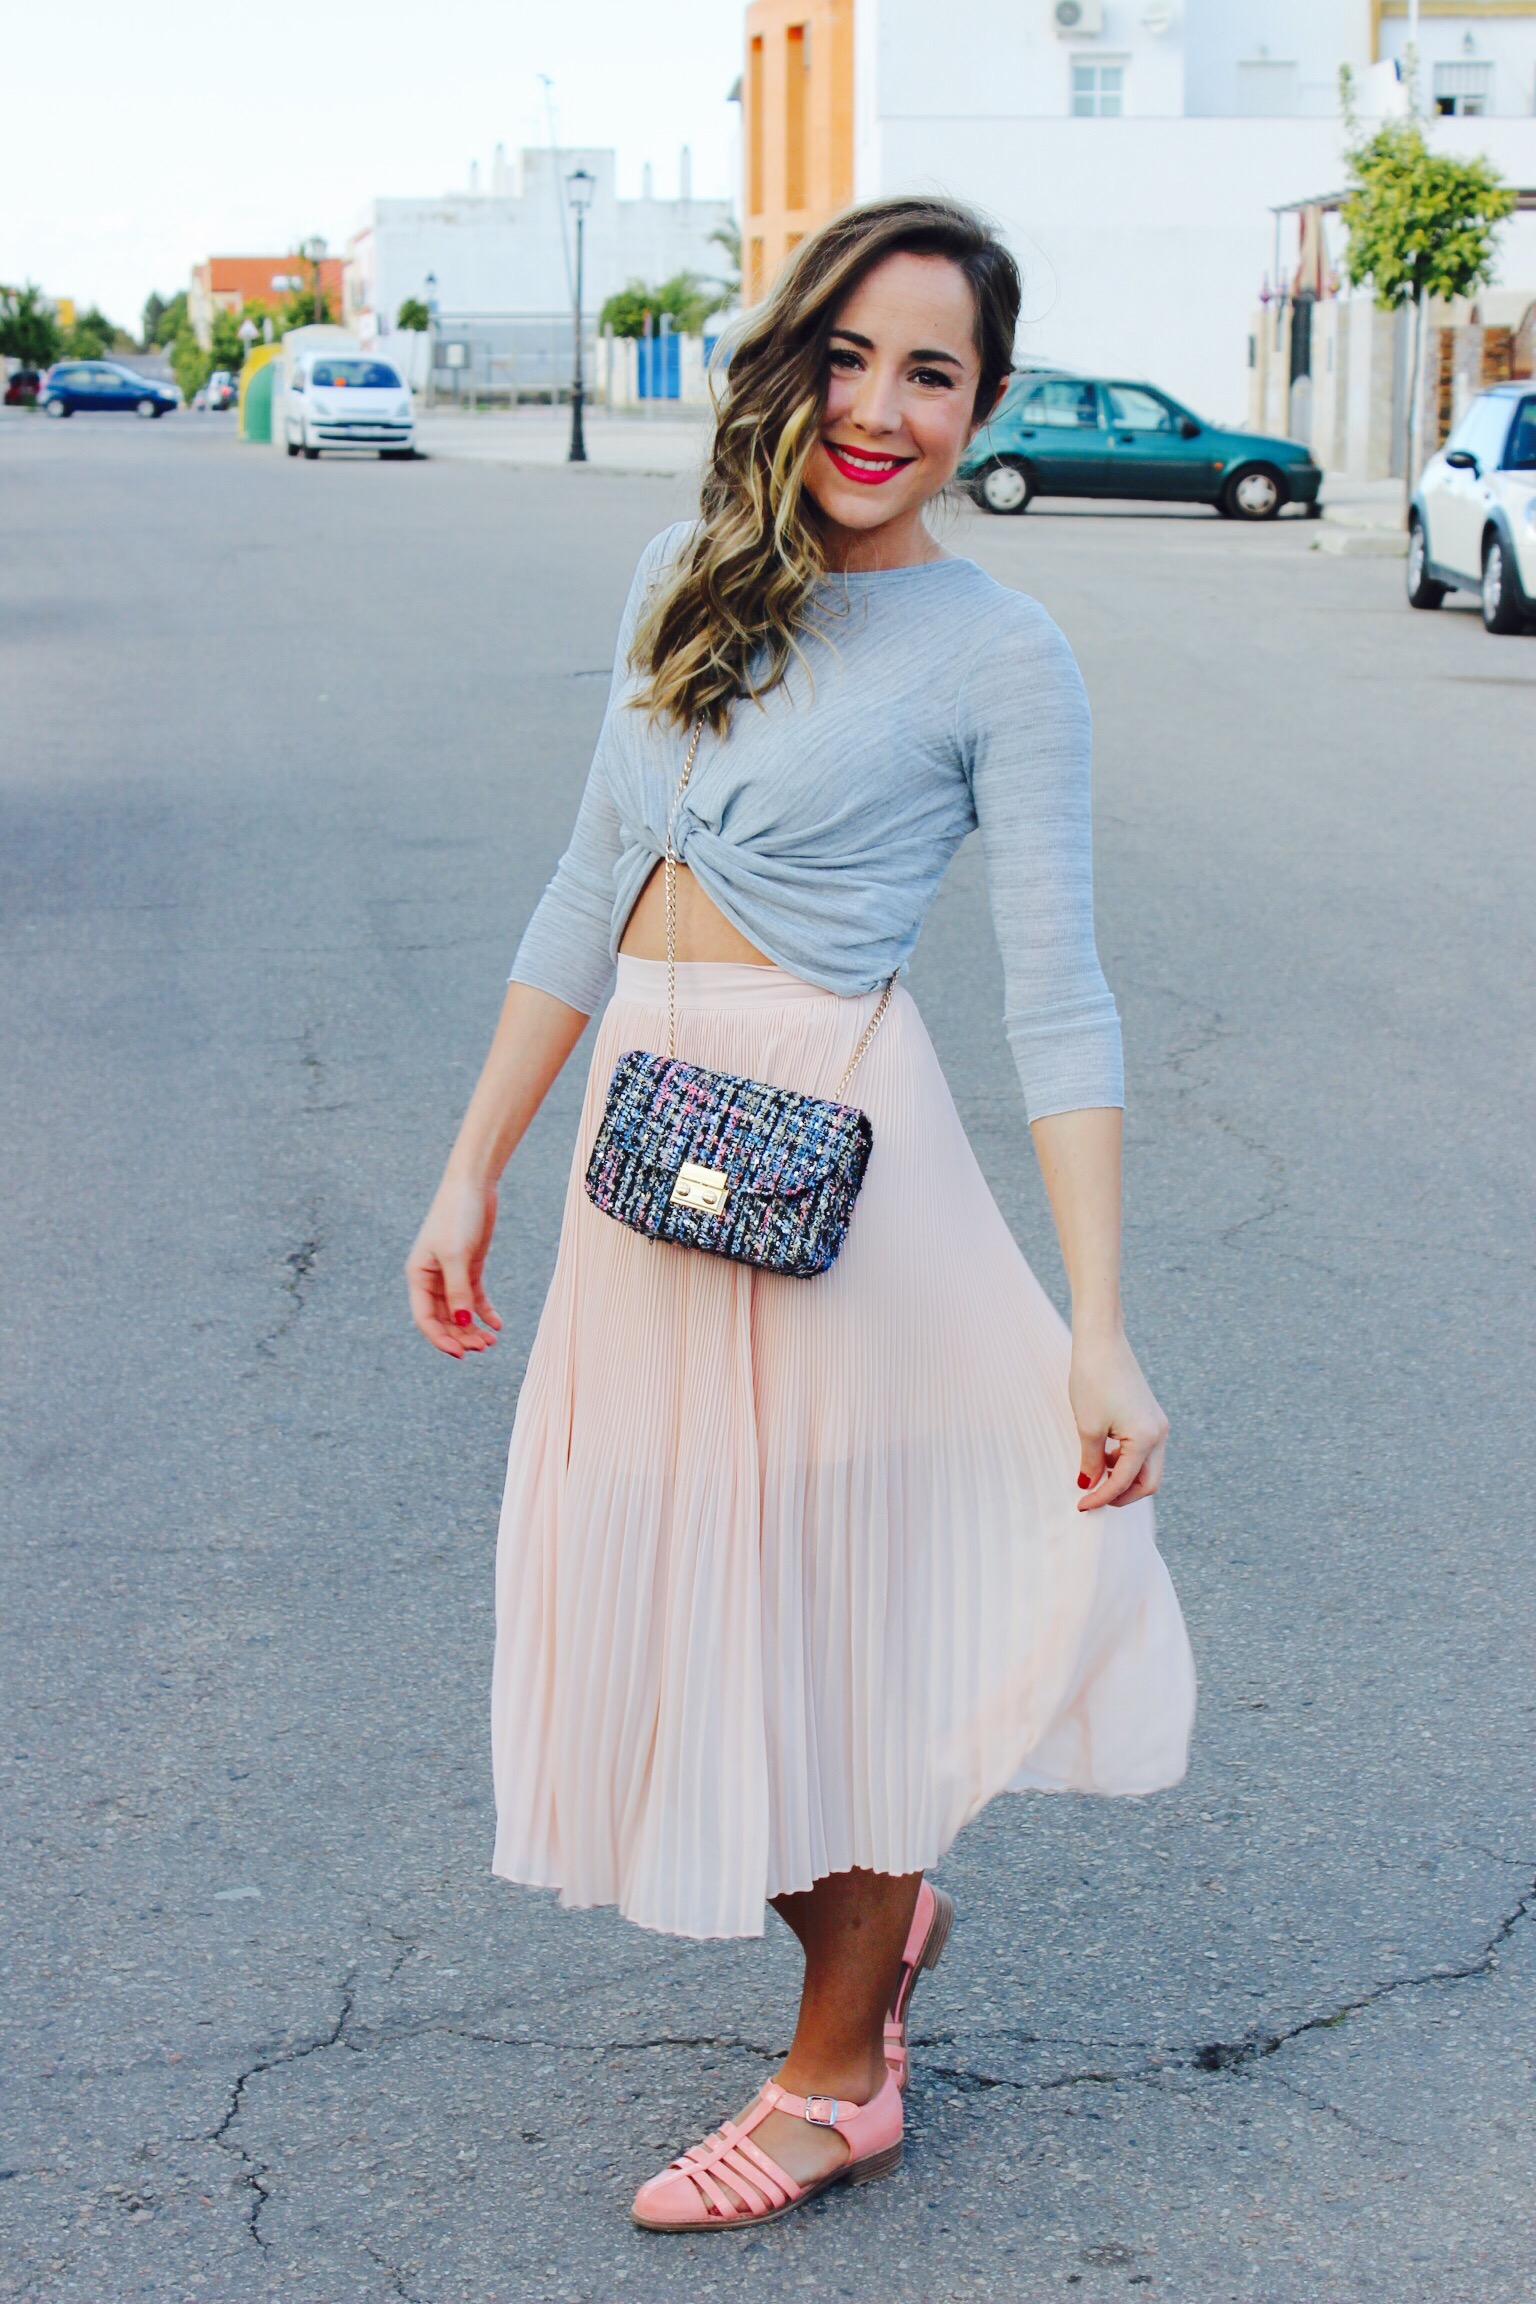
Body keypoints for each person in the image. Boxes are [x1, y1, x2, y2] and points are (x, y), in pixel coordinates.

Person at [407, 195, 1195, 2232]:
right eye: (847, 355)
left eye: (931, 372)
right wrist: (473, 1163)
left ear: (983, 407)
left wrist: (1100, 1325)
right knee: (658, 1609)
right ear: (790, 362)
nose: (878, 407)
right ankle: (882, 1926)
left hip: (835, 1173)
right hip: (645, 1156)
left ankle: (841, 2077)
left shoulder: (1001, 652)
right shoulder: (688, 573)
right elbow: (587, 883)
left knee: (818, 1628)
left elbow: (1060, 996)